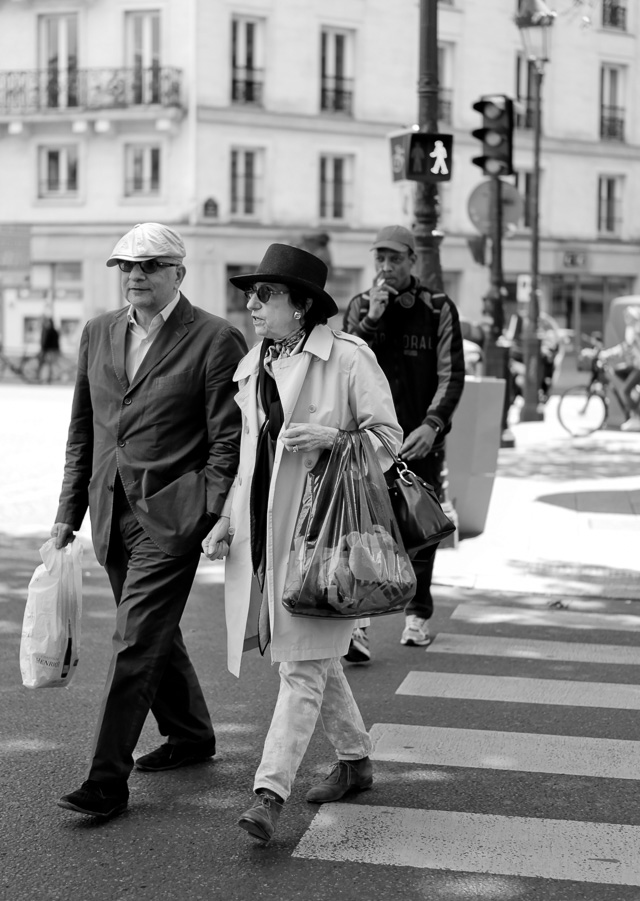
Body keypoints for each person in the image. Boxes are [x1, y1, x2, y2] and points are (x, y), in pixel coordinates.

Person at [202, 243, 403, 843]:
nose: (252, 303)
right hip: (268, 538)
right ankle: (355, 760)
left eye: (266, 294)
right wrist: (225, 521)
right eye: (251, 293)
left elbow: (389, 439)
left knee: (303, 669)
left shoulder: (346, 359)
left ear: (302, 305)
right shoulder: (254, 364)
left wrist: (336, 438)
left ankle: (269, 792)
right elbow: (249, 463)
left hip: (325, 541)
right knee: (311, 656)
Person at [52, 222, 247, 819]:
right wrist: (67, 516)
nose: (135, 276)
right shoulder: (97, 332)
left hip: (172, 514)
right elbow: (84, 430)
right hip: (111, 509)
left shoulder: (217, 339)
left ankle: (106, 780)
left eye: (150, 266)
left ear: (178, 273)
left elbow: (227, 440)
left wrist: (212, 514)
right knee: (155, 632)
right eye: (127, 267)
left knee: (135, 639)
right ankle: (190, 734)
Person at [343, 225, 464, 659]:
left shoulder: (436, 308)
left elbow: (452, 375)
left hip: (419, 441)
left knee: (420, 527)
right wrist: (373, 320)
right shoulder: (360, 307)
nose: (386, 267)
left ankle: (417, 615)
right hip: (366, 444)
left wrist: (433, 424)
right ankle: (356, 626)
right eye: (380, 259)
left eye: (395, 259)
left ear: (412, 261)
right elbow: (348, 365)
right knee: (360, 532)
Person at [600, 305, 640, 431]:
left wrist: (608, 354)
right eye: (625, 316)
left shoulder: (637, 330)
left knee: (625, 390)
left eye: (629, 316)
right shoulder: (631, 329)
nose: (626, 319)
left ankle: (637, 417)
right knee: (616, 371)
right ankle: (636, 394)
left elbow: (625, 347)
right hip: (635, 365)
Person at [37, 316, 60, 383]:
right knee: (50, 365)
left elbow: (46, 342)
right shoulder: (53, 331)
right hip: (52, 350)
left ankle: (47, 378)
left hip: (49, 351)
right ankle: (48, 378)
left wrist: (43, 350)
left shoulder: (49, 331)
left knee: (49, 365)